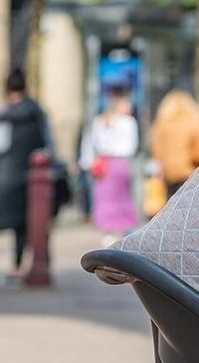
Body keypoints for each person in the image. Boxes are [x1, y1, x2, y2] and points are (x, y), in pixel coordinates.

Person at [0, 69, 52, 278]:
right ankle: (42, 262)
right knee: (40, 222)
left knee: (18, 226)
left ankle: (17, 266)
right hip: (35, 174)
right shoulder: (36, 111)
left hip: (10, 175)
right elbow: (47, 143)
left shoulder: (4, 115)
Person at [80, 86, 139, 245]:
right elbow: (132, 146)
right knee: (123, 198)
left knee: (105, 199)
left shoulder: (99, 121)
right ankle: (124, 230)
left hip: (104, 165)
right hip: (121, 163)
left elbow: (93, 144)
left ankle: (107, 233)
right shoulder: (128, 122)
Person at [150, 90, 199, 199]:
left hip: (169, 175)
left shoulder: (162, 122)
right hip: (190, 173)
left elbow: (156, 148)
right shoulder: (195, 120)